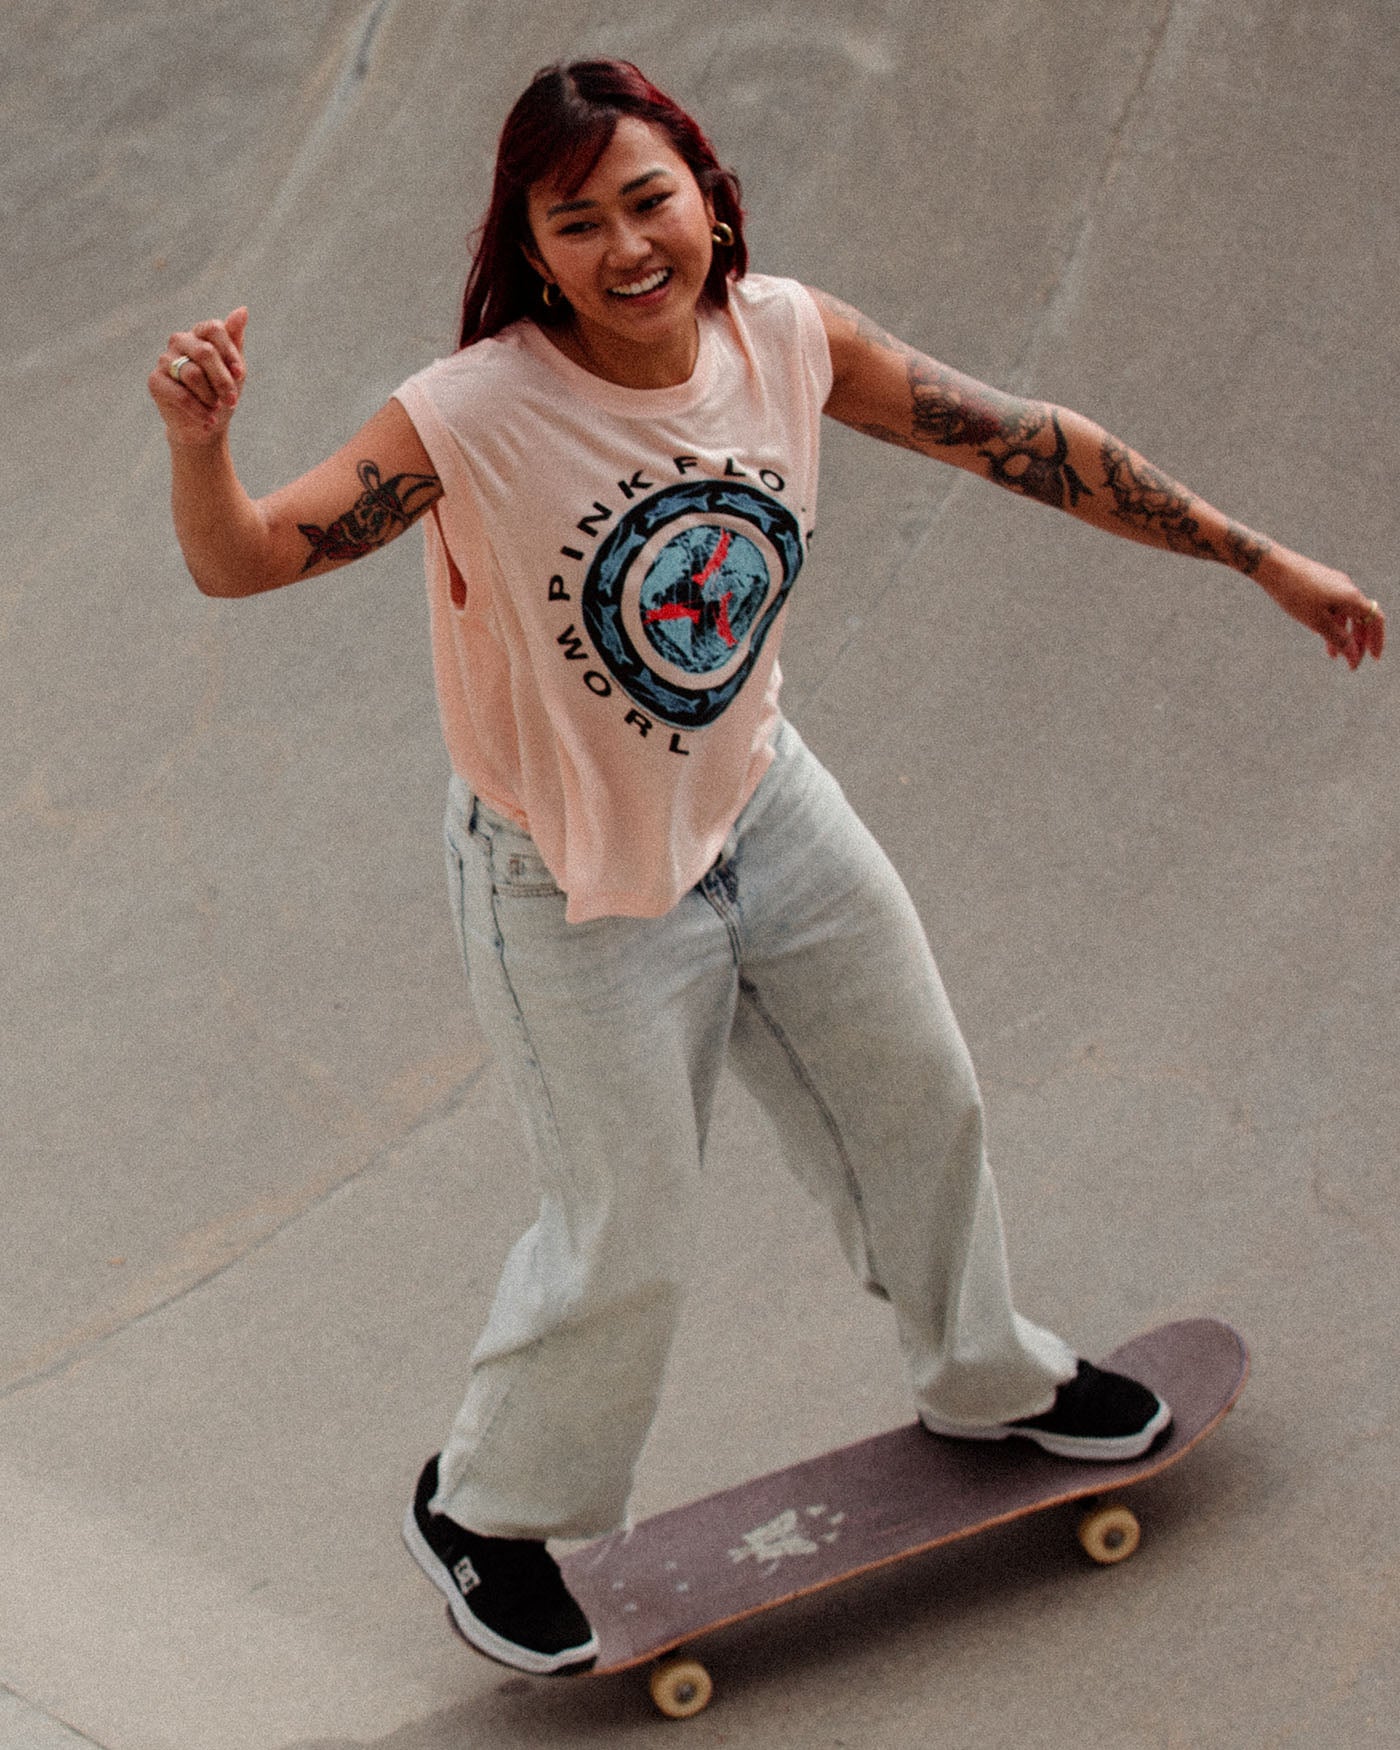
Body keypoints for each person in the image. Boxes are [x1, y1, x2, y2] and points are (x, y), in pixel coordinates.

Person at [148, 59, 1383, 1679]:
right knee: (627, 1231)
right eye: (575, 222)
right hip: (566, 881)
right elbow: (245, 559)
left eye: (646, 200)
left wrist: (1259, 557)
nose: (625, 247)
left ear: (709, 197)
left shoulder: (791, 339)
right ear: (531, 252)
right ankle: (484, 1507)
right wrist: (203, 446)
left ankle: (986, 1377)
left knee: (918, 1093)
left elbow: (1027, 442)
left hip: (764, 806)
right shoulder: (472, 415)